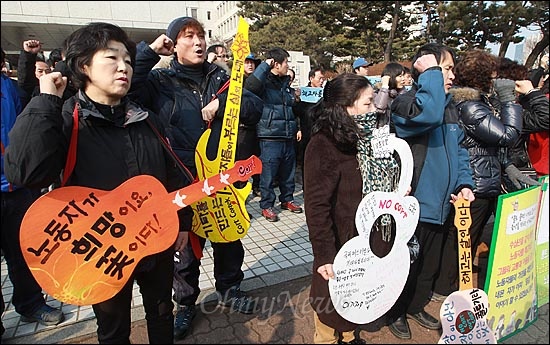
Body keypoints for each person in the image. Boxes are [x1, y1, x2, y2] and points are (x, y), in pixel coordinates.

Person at [4, 22, 189, 344]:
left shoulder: (146, 119)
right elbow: (26, 172)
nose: (124, 68)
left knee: (161, 312)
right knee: (113, 328)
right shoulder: (65, 120)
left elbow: (172, 176)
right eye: (111, 58)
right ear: (83, 65)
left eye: (129, 61)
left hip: (154, 240)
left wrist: (183, 223)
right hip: (100, 251)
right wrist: (46, 99)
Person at [128, 16, 263, 341]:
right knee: (185, 249)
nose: (198, 42)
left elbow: (255, 106)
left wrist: (227, 103)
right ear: (173, 43)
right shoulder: (160, 80)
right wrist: (149, 52)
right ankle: (185, 303)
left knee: (229, 238)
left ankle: (230, 287)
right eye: (188, 36)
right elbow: (127, 91)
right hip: (182, 181)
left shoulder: (222, 76)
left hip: (222, 179)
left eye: (201, 35)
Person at [386, 43, 476, 340]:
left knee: (427, 266)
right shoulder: (406, 103)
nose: (451, 74)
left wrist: (464, 184)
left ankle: (413, 305)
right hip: (414, 205)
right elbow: (426, 117)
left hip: (444, 204)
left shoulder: (449, 107)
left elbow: (460, 151)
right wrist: (432, 75)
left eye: (450, 69)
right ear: (427, 69)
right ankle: (395, 310)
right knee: (405, 266)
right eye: (445, 68)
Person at [432, 50, 535, 300]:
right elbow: (507, 136)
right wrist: (509, 99)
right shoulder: (470, 106)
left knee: (468, 236)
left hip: (484, 176)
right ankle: (444, 289)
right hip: (475, 181)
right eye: (492, 73)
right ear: (482, 76)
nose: (496, 78)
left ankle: (452, 282)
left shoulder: (477, 102)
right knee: (461, 237)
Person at [1, 47, 65, 337]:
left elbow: (31, 95)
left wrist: (28, 58)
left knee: (22, 253)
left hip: (18, 189)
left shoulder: (10, 88)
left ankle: (31, 304)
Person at [304, 73, 370, 344]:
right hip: (337, 241)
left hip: (359, 236)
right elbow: (316, 207)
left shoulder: (358, 138)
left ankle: (349, 335)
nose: (373, 108)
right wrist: (324, 255)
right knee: (329, 301)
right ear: (347, 105)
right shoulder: (323, 144)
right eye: (367, 103)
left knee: (355, 296)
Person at [244, 47, 303, 222]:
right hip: (269, 136)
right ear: (276, 64)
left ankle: (287, 199)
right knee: (268, 175)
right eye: (285, 62)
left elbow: (291, 108)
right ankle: (267, 205)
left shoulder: (285, 84)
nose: (288, 65)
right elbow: (250, 86)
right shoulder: (263, 83)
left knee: (288, 172)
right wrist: (265, 64)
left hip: (287, 135)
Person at [293, 67, 326, 187]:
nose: (322, 81)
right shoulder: (303, 94)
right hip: (307, 133)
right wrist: (297, 100)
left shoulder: (324, 95)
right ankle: (307, 187)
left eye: (323, 78)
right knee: (307, 162)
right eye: (319, 78)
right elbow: (296, 113)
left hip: (323, 134)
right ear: (311, 78)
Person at [242, 53, 262, 198]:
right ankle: (241, 189)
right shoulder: (234, 82)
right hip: (241, 129)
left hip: (258, 127)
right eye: (246, 62)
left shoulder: (260, 82)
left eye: (252, 62)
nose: (250, 65)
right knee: (242, 162)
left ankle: (257, 186)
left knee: (257, 158)